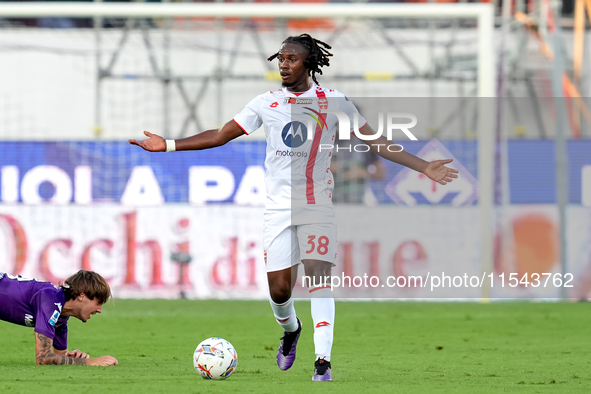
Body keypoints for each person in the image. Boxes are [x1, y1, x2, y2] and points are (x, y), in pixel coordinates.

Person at [129, 33, 458, 381]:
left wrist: (423, 166)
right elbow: (220, 135)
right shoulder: (265, 103)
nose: (283, 65)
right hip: (277, 211)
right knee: (280, 291)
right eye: (281, 59)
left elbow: (375, 141)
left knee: (319, 278)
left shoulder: (335, 102)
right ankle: (291, 330)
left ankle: (322, 362)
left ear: (309, 64)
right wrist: (167, 144)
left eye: (291, 59)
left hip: (317, 207)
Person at [0, 270, 118, 366]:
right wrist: (90, 362)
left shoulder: (61, 317)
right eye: (98, 302)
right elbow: (43, 358)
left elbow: (58, 355)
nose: (100, 310)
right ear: (82, 296)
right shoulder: (50, 300)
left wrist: (71, 357)